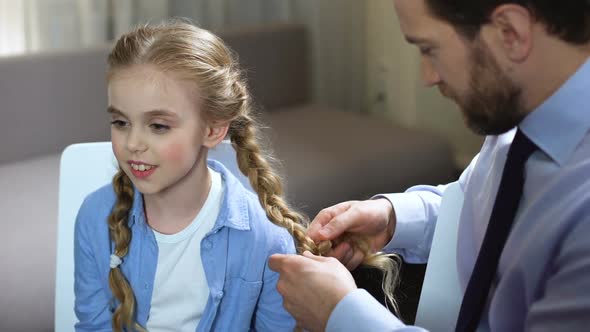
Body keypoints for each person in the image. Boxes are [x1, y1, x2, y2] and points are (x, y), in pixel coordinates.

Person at [269, 0, 590, 331]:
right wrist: (393, 218)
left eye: (429, 49)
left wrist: (341, 315)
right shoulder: (520, 113)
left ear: (510, 31)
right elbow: (486, 205)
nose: (428, 77)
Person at [74, 20, 309, 332]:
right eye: (120, 122)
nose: (132, 144)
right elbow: (93, 324)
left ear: (212, 130)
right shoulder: (94, 217)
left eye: (158, 125)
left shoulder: (267, 239)